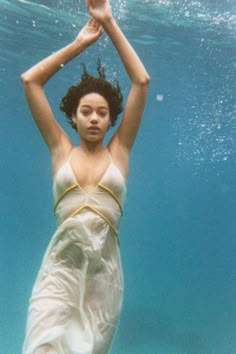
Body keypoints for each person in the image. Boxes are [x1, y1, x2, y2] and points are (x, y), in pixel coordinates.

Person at [21, 0, 150, 353]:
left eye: (102, 113)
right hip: (58, 272)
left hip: (103, 279)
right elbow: (30, 81)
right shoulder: (60, 150)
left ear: (111, 120)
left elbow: (141, 81)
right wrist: (80, 43)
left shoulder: (119, 153)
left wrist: (108, 22)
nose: (94, 118)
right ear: (74, 118)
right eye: (87, 112)